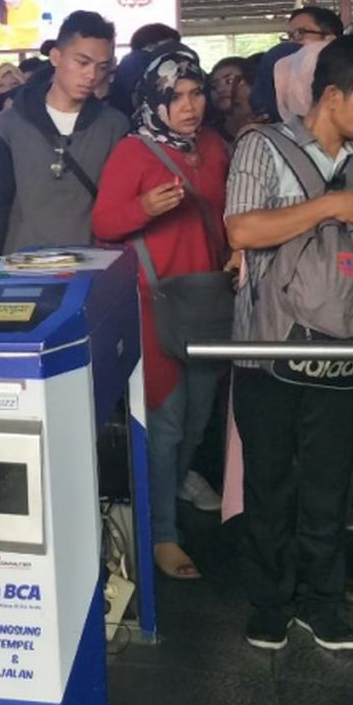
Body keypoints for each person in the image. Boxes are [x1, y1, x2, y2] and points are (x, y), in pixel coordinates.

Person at [225, 34, 353, 652]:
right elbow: (241, 227)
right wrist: (326, 206)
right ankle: (270, 603)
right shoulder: (261, 148)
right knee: (270, 479)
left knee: (330, 483)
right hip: (271, 347)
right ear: (333, 96)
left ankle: (321, 601)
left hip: (346, 346)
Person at [93, 47, 231, 581]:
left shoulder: (215, 147)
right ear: (154, 101)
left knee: (199, 417)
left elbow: (231, 212)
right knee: (167, 423)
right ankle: (162, 534)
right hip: (156, 304)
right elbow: (104, 224)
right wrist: (143, 209)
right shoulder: (133, 152)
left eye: (196, 93)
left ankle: (166, 495)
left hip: (211, 299)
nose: (189, 106)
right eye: (175, 97)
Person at [0, 10, 127, 258]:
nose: (91, 75)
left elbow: (119, 209)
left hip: (92, 265)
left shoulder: (114, 127)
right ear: (55, 57)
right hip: (24, 264)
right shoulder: (9, 125)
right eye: (82, 62)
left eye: (102, 67)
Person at [208, 56, 255, 145]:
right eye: (214, 85)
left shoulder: (272, 130)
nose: (220, 89)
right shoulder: (210, 137)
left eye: (229, 81)